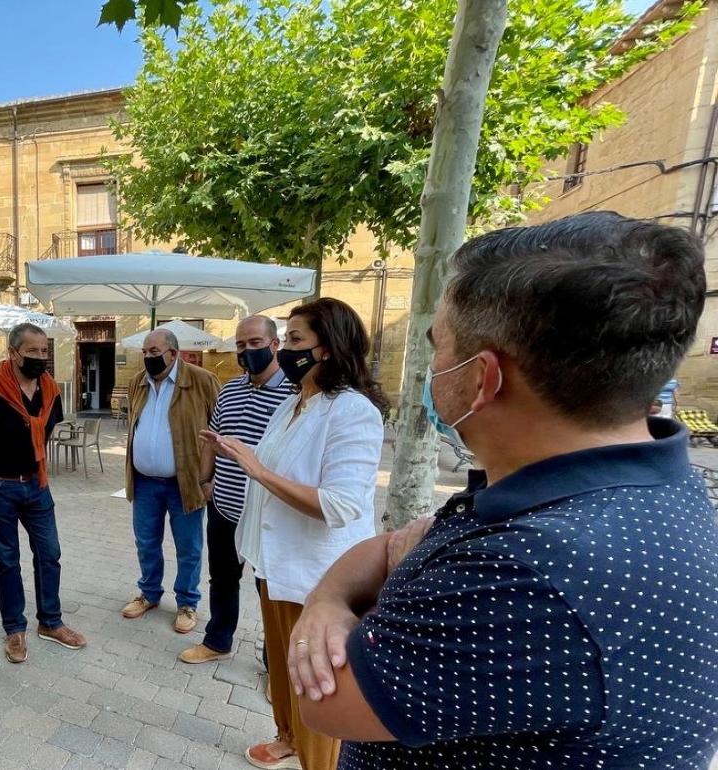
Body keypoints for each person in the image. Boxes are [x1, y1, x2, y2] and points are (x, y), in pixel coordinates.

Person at [287, 213, 718, 770]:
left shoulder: (527, 568)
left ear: (483, 377)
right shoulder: (638, 489)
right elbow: (392, 544)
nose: (430, 366)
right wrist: (330, 599)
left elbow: (324, 702)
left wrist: (354, 596)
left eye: (437, 346)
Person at [204, 298, 386, 770]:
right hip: (274, 565)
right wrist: (235, 452)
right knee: (285, 671)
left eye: (295, 340)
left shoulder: (352, 412)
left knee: (315, 684)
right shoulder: (293, 404)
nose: (285, 349)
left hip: (316, 576)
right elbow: (273, 466)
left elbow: (341, 505)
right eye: (285, 339)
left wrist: (257, 469)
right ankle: (287, 736)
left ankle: (319, 760)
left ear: (327, 348)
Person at [0, 323, 86, 663]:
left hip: (36, 483)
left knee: (50, 553)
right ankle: (14, 628)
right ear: (13, 353)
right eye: (32, 351)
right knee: (7, 560)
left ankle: (51, 622)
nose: (40, 357)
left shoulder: (49, 390)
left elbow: (47, 430)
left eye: (44, 351)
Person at [180, 315, 292, 665]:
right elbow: (211, 441)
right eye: (241, 344)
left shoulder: (295, 393)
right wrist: (205, 483)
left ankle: (275, 665)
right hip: (224, 508)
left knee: (271, 589)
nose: (247, 351)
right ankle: (217, 641)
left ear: (275, 344)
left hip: (267, 514)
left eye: (255, 343)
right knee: (222, 579)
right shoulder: (229, 389)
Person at [122, 328, 220, 634]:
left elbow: (220, 431)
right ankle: (149, 593)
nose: (148, 357)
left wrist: (212, 477)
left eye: (154, 352)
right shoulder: (138, 382)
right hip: (144, 482)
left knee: (188, 547)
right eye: (145, 352)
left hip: (186, 482)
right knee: (146, 542)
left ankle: (187, 602)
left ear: (173, 353)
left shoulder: (201, 381)